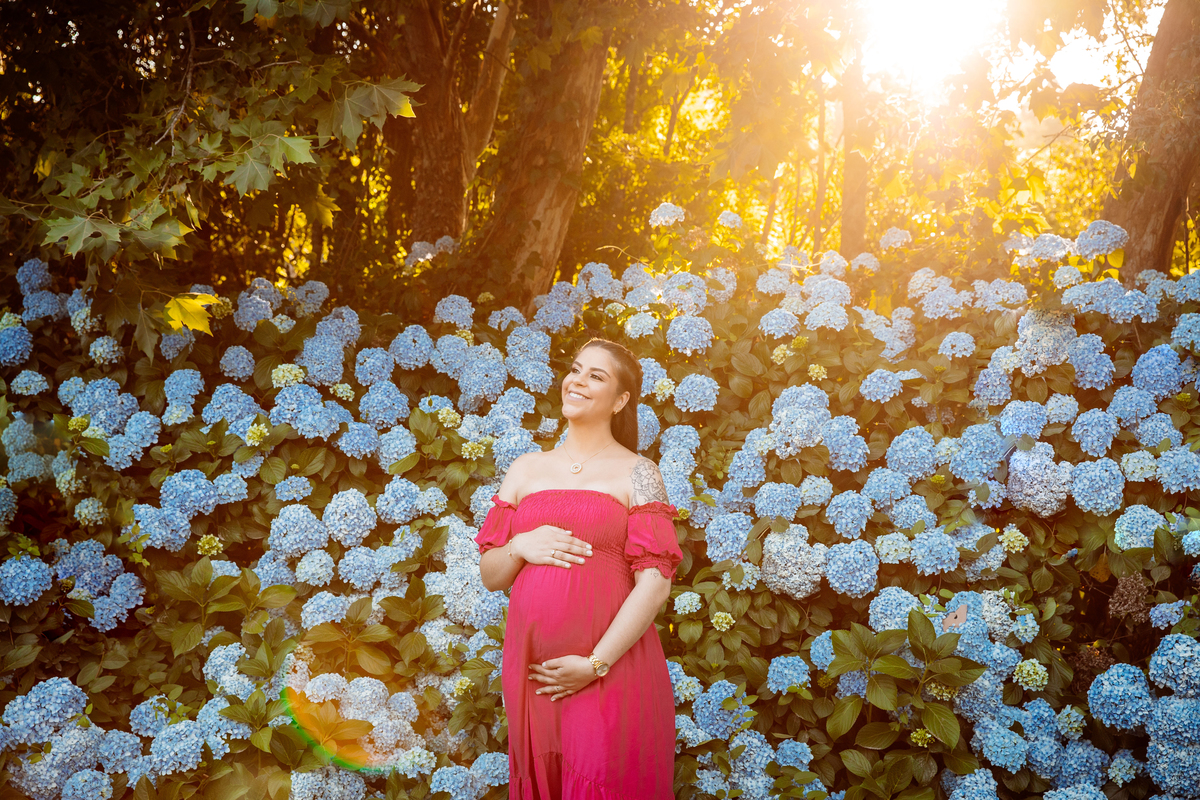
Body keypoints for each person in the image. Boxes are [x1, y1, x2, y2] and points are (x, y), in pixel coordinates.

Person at [474, 338, 683, 800]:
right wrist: (520, 545)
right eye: (575, 369)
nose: (578, 381)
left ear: (620, 401)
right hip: (536, 675)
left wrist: (594, 664)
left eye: (596, 375)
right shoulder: (525, 469)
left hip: (610, 670)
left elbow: (655, 584)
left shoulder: (640, 473)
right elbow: (491, 576)